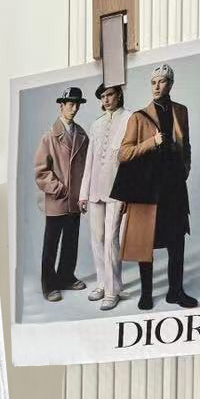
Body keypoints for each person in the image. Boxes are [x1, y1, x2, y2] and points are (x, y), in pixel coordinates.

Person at [111, 62, 197, 311]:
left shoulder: (181, 111)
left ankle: (176, 292)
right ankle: (146, 294)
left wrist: (184, 170)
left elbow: (186, 145)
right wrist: (152, 141)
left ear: (171, 84)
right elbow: (124, 153)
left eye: (162, 82)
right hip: (147, 188)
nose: (157, 87)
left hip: (173, 187)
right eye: (153, 82)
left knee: (177, 241)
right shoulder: (138, 117)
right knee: (145, 240)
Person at [33, 85, 89, 302]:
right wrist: (59, 188)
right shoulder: (49, 136)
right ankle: (49, 285)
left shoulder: (82, 135)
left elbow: (87, 167)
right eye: (70, 104)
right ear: (61, 106)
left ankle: (66, 277)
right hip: (57, 199)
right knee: (51, 243)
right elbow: (41, 171)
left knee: (71, 241)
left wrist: (83, 193)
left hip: (75, 200)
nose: (74, 109)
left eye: (77, 105)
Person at [78, 82, 130, 310]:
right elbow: (89, 161)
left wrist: (128, 192)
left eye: (109, 95)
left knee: (111, 239)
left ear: (118, 95)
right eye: (102, 97)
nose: (106, 100)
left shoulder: (130, 118)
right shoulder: (96, 124)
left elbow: (132, 161)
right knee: (97, 238)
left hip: (117, 189)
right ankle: (102, 283)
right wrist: (83, 194)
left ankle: (112, 290)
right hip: (95, 190)